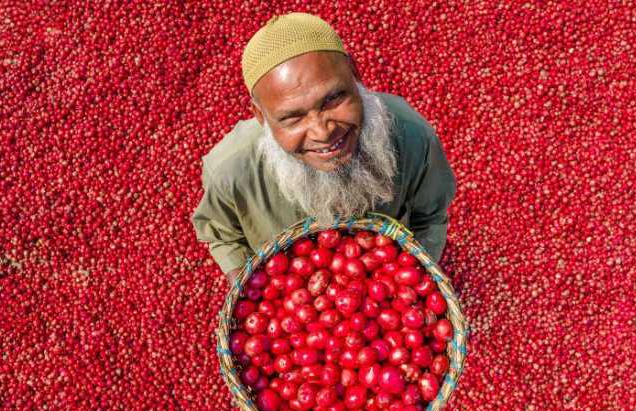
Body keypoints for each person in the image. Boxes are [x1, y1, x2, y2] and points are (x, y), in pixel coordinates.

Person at [192, 12, 457, 283]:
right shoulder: (230, 170)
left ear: (354, 74)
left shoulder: (411, 134)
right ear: (261, 117)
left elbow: (430, 216)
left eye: (334, 98)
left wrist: (414, 281)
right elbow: (222, 234)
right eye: (292, 117)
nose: (323, 132)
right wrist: (253, 291)